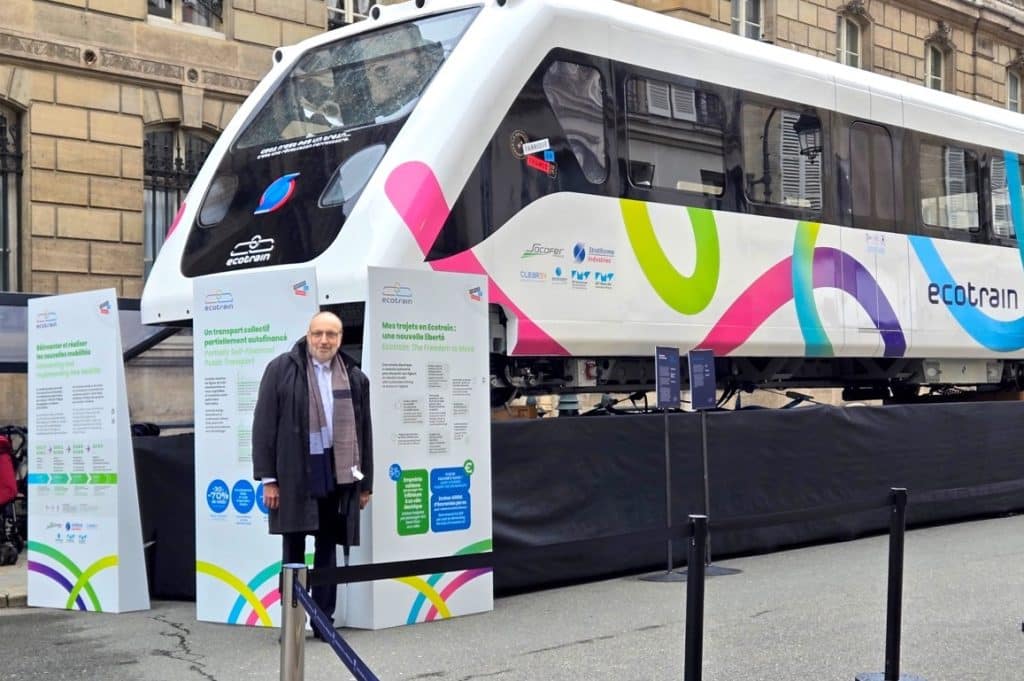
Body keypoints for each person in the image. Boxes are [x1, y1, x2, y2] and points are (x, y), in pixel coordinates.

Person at [252, 311, 373, 631]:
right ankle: (292, 622)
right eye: (318, 333)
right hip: (294, 475)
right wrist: (269, 480)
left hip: (339, 475)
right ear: (308, 335)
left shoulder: (355, 375)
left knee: (327, 547)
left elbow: (364, 433)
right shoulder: (281, 370)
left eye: (331, 334)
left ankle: (324, 622)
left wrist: (364, 484)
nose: (324, 340)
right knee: (293, 549)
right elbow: (264, 426)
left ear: (340, 339)